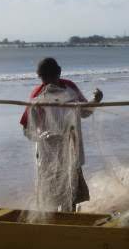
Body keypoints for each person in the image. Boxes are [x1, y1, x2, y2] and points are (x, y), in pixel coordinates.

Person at [19, 58, 102, 212]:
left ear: (59, 73)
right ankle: (54, 220)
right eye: (44, 78)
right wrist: (42, 136)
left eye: (50, 77)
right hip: (48, 154)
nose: (47, 82)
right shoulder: (38, 96)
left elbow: (84, 111)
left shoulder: (70, 88)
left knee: (71, 189)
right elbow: (26, 128)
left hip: (72, 148)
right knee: (51, 193)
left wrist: (95, 101)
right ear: (40, 77)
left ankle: (69, 217)